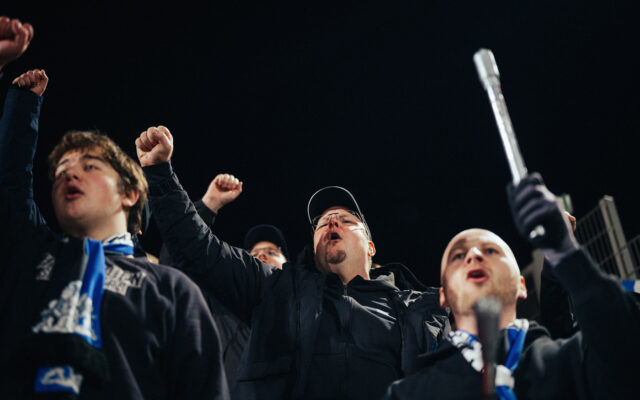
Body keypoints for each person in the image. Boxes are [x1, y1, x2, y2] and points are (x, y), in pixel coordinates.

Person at [136, 125, 450, 400]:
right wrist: (160, 173)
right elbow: (198, 248)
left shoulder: (422, 308)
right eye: (322, 223)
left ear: (370, 247)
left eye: (345, 220)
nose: (331, 222)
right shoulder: (275, 289)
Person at [0, 70, 229, 399]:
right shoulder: (38, 258)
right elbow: (11, 189)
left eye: (89, 166)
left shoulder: (170, 289)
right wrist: (22, 106)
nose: (70, 174)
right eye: (61, 171)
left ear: (129, 194)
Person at [383, 173, 640, 399]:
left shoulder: (572, 362)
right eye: (458, 256)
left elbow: (626, 350)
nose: (474, 255)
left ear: (521, 286)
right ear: (444, 297)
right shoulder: (407, 394)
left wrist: (565, 252)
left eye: (491, 251)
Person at [156, 172, 290, 385]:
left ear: (288, 265)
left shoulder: (302, 309)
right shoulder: (218, 304)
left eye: (271, 252)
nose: (262, 256)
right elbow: (175, 270)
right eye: (254, 254)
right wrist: (209, 204)